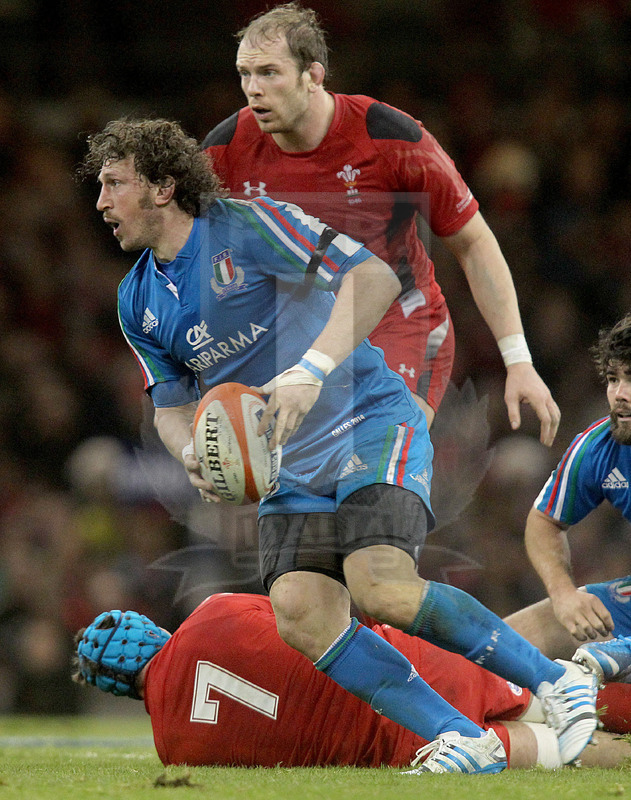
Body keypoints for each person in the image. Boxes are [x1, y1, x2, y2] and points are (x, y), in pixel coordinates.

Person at [79, 116, 596, 774]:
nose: (100, 203)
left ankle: (555, 680)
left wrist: (309, 371)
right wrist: (191, 452)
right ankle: (459, 737)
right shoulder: (137, 300)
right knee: (299, 611)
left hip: (364, 418)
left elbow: (374, 279)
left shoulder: (248, 224)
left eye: (113, 184)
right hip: (289, 463)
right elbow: (172, 405)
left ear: (161, 187)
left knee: (379, 588)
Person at [202, 2, 560, 442]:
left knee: (380, 470)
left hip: (399, 325)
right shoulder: (223, 152)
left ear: (313, 75)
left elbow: (474, 244)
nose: (252, 89)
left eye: (269, 73)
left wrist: (517, 358)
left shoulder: (390, 137)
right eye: (244, 74)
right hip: (298, 340)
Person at [72, 591, 631, 770]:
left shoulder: (175, 749)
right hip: (413, 674)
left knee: (564, 752)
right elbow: (311, 618)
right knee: (567, 701)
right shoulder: (212, 614)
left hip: (397, 750)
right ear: (148, 631)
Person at [507, 314, 631, 655]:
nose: (619, 394)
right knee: (499, 649)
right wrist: (563, 594)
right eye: (613, 378)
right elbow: (544, 521)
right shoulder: (598, 448)